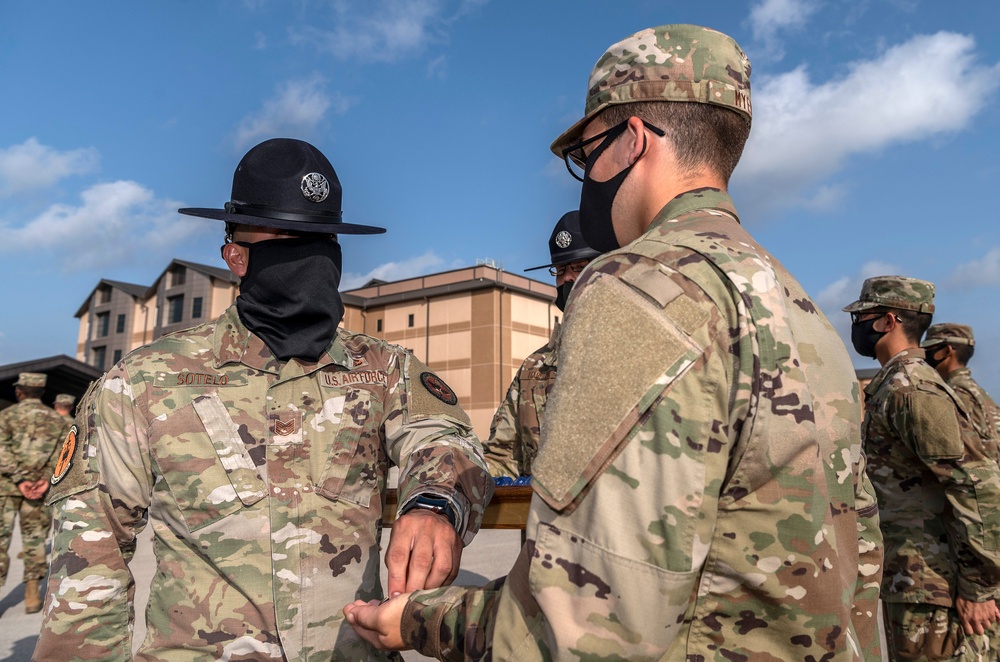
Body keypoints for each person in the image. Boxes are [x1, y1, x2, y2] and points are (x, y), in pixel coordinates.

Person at [344, 24, 883, 660]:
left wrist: (418, 621)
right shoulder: (798, 305)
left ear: (631, 142)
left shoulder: (638, 286)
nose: (586, 178)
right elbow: (858, 566)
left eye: (587, 155)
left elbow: (591, 620)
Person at [34, 138, 494, 661]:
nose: (306, 255)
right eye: (283, 237)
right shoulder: (144, 381)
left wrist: (435, 503)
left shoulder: (384, 370)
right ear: (235, 256)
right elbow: (88, 559)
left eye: (319, 239)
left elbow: (445, 440)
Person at [844, 276, 1000, 660]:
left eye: (864, 316)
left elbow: (976, 486)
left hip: (930, 581)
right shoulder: (894, 383)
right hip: (909, 576)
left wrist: (980, 587)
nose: (857, 326)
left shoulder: (910, 388)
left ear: (888, 320)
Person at [483, 210, 600, 479]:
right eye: (560, 270)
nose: (567, 278)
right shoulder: (533, 369)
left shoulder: (634, 349)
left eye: (579, 268)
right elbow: (503, 456)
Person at [921, 322, 1000, 656]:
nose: (925, 354)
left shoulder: (952, 400)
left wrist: (977, 585)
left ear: (947, 351)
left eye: (931, 348)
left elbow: (976, 485)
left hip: (972, 548)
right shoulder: (984, 398)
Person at [0, 372, 68, 614]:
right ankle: (31, 595)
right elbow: (64, 455)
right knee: (35, 541)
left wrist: (19, 479)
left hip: (6, 489)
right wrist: (44, 480)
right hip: (39, 490)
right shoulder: (59, 421)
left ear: (19, 392)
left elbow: (1, 451)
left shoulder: (6, 416)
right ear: (41, 393)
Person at [922, 323, 1000, 464]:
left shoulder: (955, 394)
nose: (924, 356)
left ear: (947, 351)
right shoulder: (976, 392)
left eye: (929, 350)